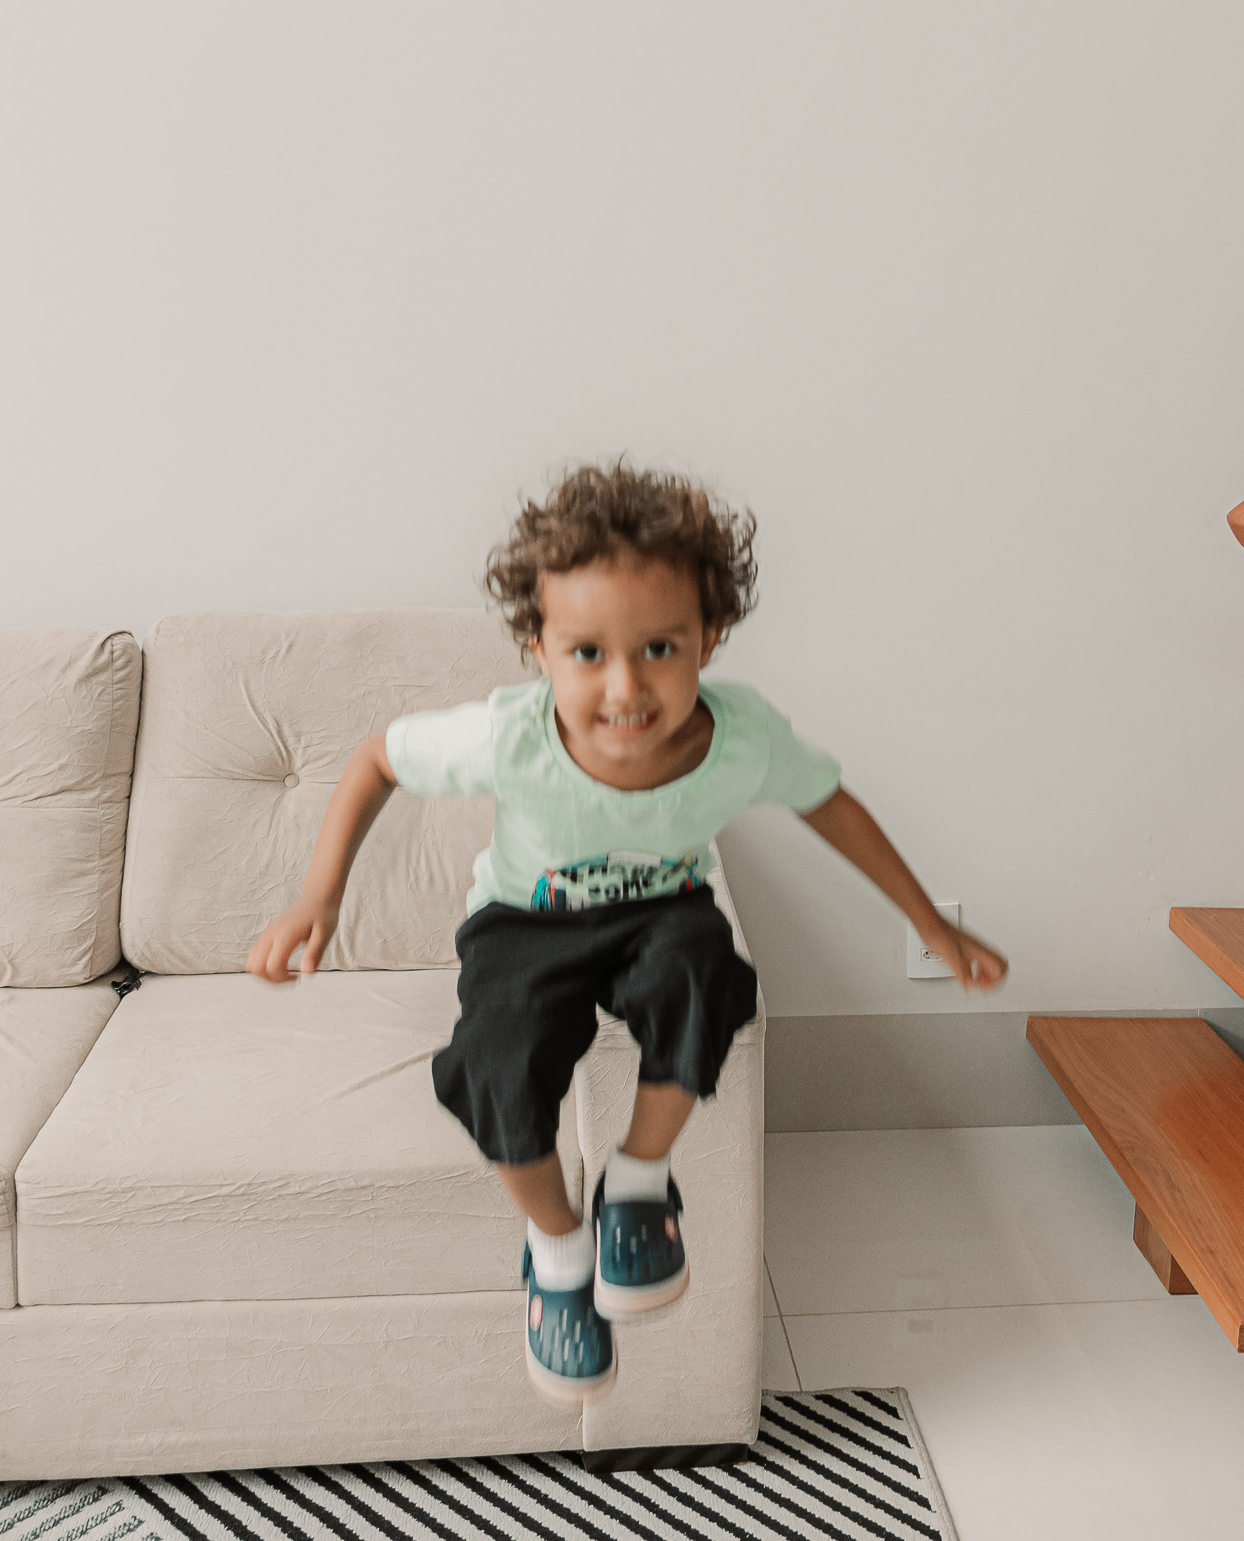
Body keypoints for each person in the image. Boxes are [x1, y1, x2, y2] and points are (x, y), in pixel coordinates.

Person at [247, 462, 1008, 1405]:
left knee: (707, 974)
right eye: (587, 653)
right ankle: (557, 1252)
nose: (625, 688)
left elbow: (829, 804)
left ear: (708, 638)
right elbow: (376, 761)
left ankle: (638, 1186)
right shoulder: (509, 737)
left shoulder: (743, 740)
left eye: (658, 648)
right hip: (526, 921)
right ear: (538, 648)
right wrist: (317, 898)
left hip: (661, 913)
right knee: (495, 1067)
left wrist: (930, 923)